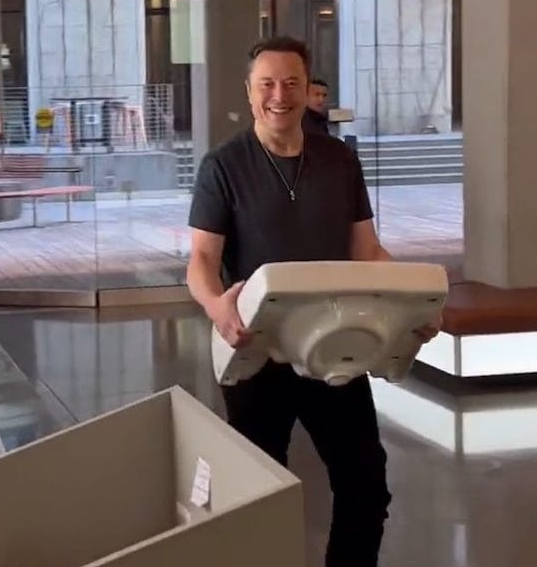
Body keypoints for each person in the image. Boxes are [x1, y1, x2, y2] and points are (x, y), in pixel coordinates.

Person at [186, 35, 439, 567]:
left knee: (366, 486)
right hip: (258, 351)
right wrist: (215, 306)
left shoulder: (340, 159)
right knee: (255, 498)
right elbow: (203, 260)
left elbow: (368, 251)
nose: (279, 95)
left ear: (308, 90)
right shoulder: (223, 165)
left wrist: (412, 306)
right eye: (267, 85)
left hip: (335, 345)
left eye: (291, 83)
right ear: (249, 92)